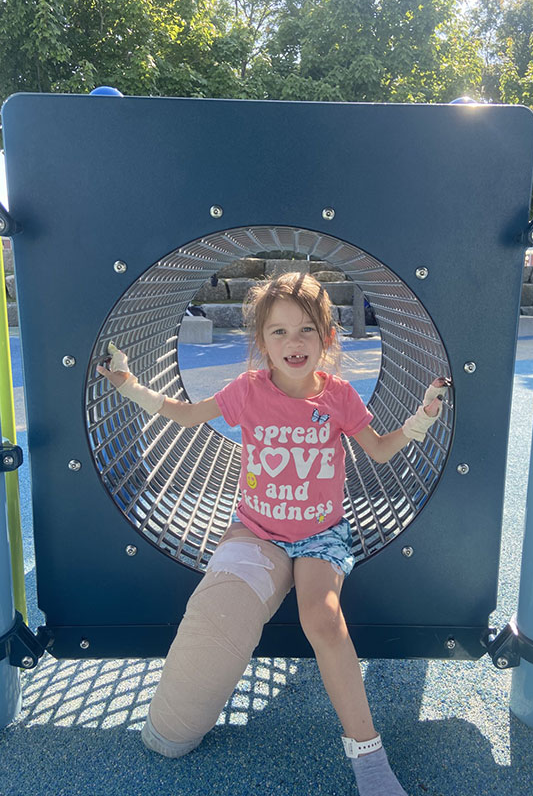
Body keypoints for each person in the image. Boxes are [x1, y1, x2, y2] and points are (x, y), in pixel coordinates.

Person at [97, 272, 449, 796]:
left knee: (322, 620)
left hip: (320, 534)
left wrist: (421, 419)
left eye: (306, 329)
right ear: (261, 341)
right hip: (257, 529)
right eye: (278, 331)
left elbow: (378, 449)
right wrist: (129, 385)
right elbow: (187, 415)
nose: (293, 342)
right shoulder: (248, 390)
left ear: (328, 337)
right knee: (222, 609)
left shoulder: (339, 396)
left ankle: (369, 756)